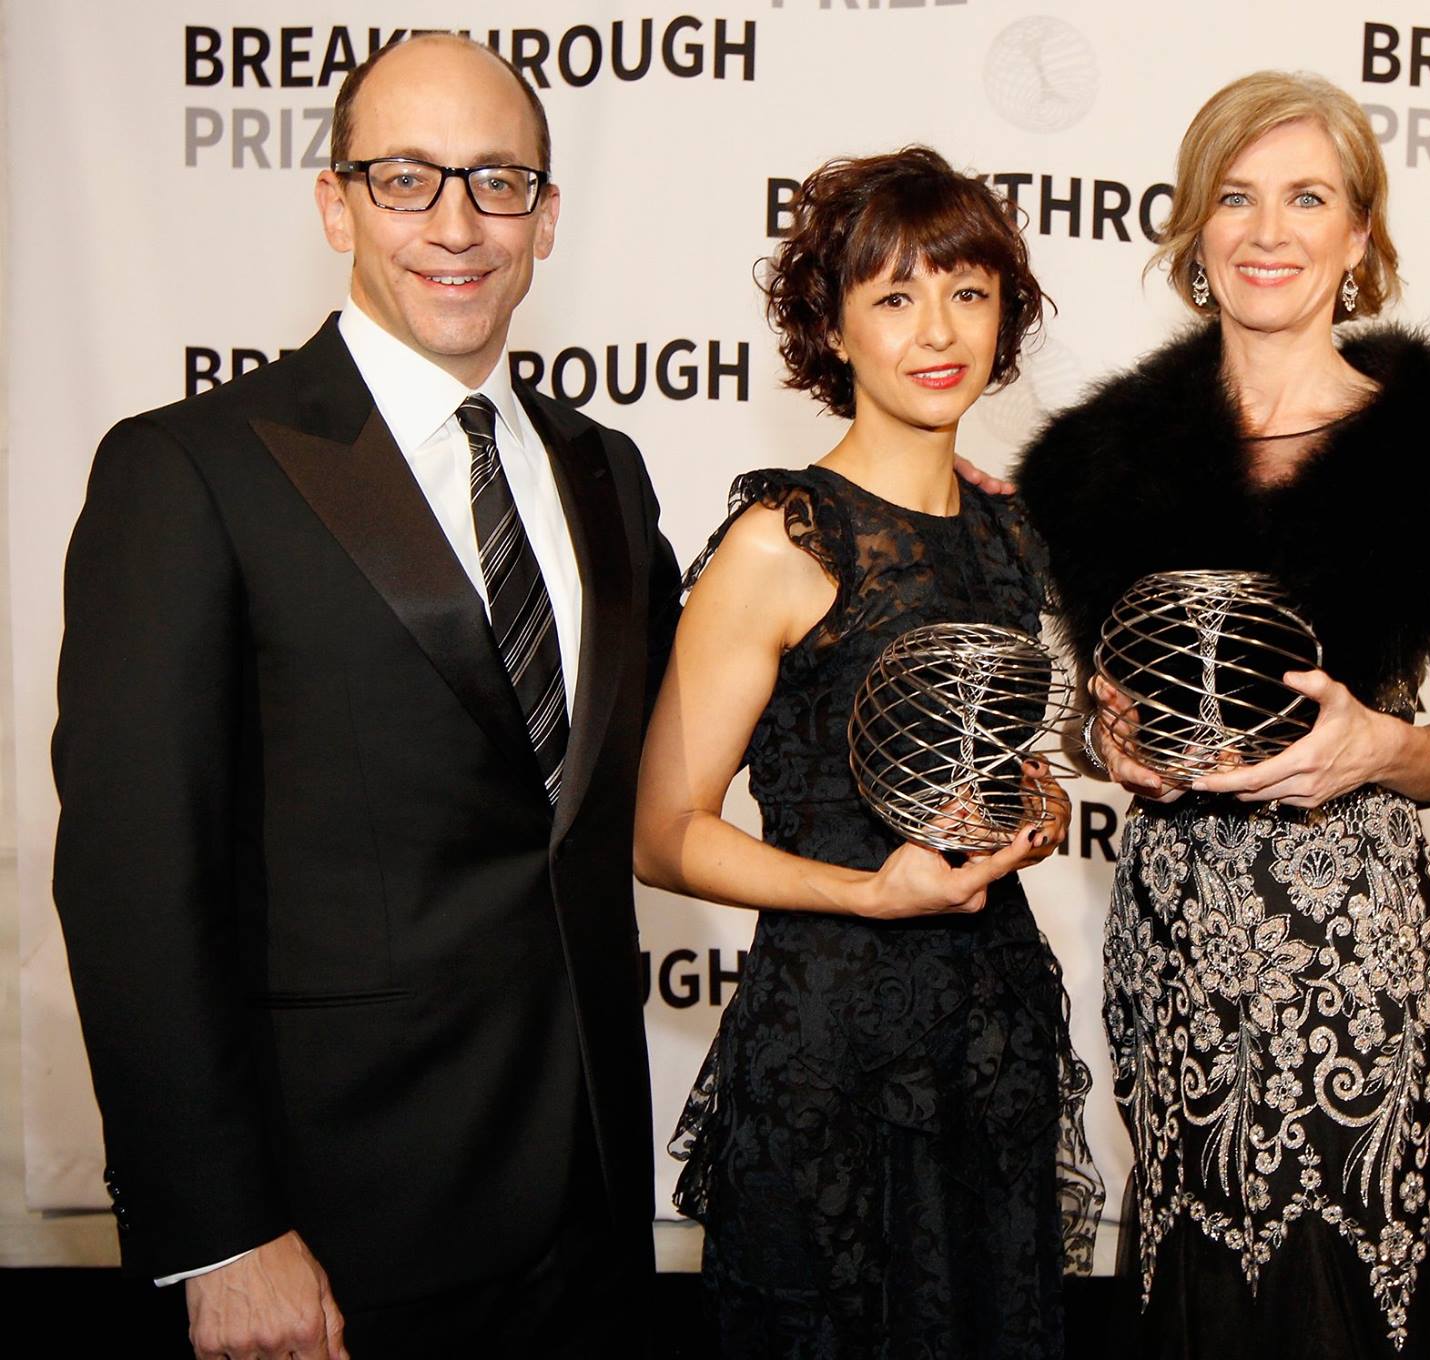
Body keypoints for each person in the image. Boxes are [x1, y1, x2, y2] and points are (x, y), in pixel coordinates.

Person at [52, 34, 682, 1358]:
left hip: (594, 1211)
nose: (455, 224)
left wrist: (919, 508)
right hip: (338, 1239)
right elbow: (133, 883)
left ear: (547, 215)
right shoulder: (193, 472)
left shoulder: (604, 474)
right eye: (406, 178)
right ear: (335, 202)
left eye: (497, 181)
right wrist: (221, 1233)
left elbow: (686, 743)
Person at [1015, 72, 1430, 1358]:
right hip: (1172, 951)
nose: (1266, 230)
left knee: (1355, 1291)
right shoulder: (1104, 461)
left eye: (1305, 198)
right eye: (1234, 196)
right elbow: (1087, 723)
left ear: (1358, 239)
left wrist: (1373, 748)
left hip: (1359, 963)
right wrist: (1103, 744)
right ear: (1192, 230)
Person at [633, 146, 1101, 1358]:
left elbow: (965, 762)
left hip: (988, 1039)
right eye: (893, 296)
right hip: (831, 1049)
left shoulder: (1009, 533)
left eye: (965, 289)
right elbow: (665, 832)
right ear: (830, 331)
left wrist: (1027, 807)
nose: (935, 328)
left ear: (1006, 312)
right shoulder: (781, 540)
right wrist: (870, 890)